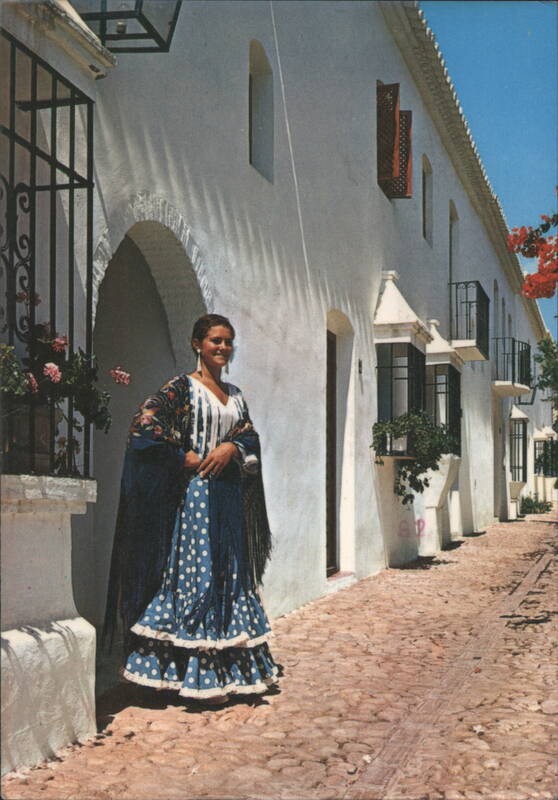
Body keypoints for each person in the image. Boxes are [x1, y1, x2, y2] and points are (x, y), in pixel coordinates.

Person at [102, 313, 278, 703]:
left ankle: (231, 670)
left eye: (229, 341)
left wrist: (231, 447)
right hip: (197, 497)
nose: (223, 347)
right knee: (197, 576)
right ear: (198, 343)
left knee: (229, 575)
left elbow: (248, 433)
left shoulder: (235, 394)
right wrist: (182, 455)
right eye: (216, 340)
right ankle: (193, 675)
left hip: (229, 498)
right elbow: (144, 425)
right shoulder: (182, 388)